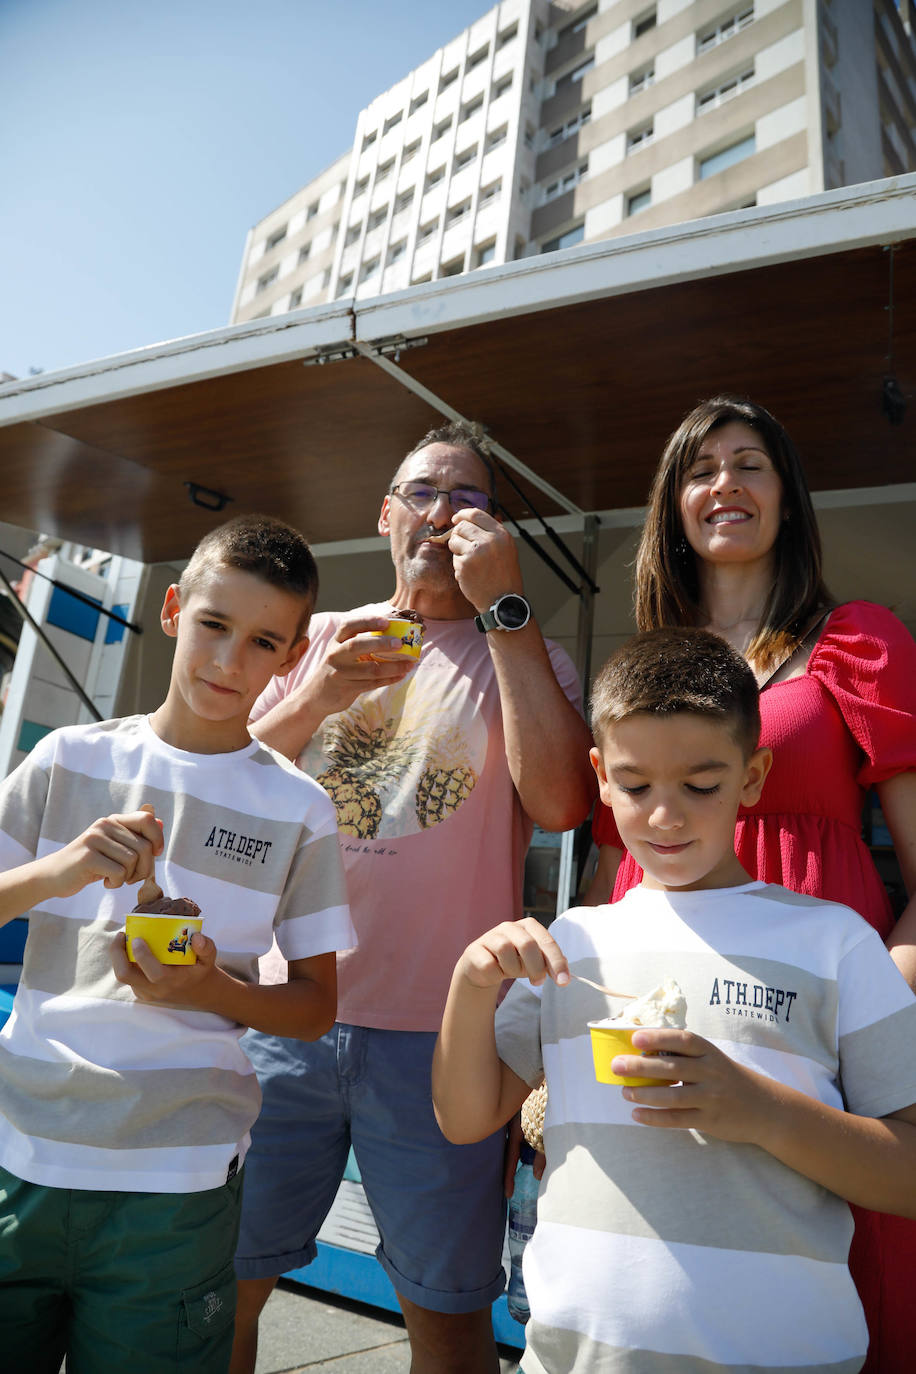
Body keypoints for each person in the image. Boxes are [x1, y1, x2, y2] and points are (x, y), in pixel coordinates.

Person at [433, 626, 916, 1374]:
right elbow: (465, 1117)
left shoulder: (835, 945)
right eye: (635, 785)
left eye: (701, 784)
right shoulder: (576, 942)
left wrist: (760, 1111)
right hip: (574, 1360)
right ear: (600, 774)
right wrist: (470, 985)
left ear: (753, 777)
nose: (666, 816)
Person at [231, 420, 596, 1374]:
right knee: (220, 1285)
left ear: (496, 528)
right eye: (425, 492)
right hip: (284, 1015)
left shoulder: (531, 655)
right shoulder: (311, 639)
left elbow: (561, 801)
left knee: (444, 1313)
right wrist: (315, 696)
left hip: (444, 1041)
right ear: (386, 513)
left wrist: (504, 607)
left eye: (469, 498)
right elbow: (221, 783)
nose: (443, 513)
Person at [587, 395, 916, 1367]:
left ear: (786, 498)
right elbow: (620, 861)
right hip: (666, 1008)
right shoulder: (644, 667)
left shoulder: (856, 640)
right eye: (699, 468)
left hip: (825, 1016)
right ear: (671, 506)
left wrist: (886, 990)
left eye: (748, 464)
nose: (723, 484)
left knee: (843, 1275)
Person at [0, 514, 355, 1374]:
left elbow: (314, 1009)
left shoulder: (300, 807)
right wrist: (62, 872)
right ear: (171, 610)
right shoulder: (67, 758)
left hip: (178, 1185)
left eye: (263, 640)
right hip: (20, 1157)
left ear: (293, 655)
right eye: (214, 625)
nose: (230, 662)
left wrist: (209, 992)